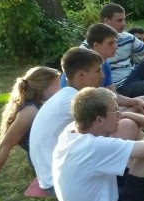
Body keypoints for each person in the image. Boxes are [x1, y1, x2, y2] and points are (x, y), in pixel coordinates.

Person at [0, 66, 60, 193]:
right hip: (44, 160)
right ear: (43, 88)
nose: (60, 89)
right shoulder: (30, 111)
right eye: (57, 86)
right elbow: (5, 146)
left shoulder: (42, 103)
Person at [29, 48, 105, 193]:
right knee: (121, 127)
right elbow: (111, 120)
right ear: (81, 74)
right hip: (57, 181)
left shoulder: (67, 95)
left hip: (54, 175)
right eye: (97, 71)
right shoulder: (73, 99)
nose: (102, 75)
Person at [71, 23, 144, 115]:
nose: (116, 47)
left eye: (115, 42)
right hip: (85, 112)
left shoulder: (105, 63)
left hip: (101, 108)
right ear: (96, 45)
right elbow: (85, 105)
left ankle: (124, 116)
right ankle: (125, 117)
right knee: (127, 118)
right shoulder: (84, 65)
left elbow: (114, 96)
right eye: (111, 43)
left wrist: (137, 102)